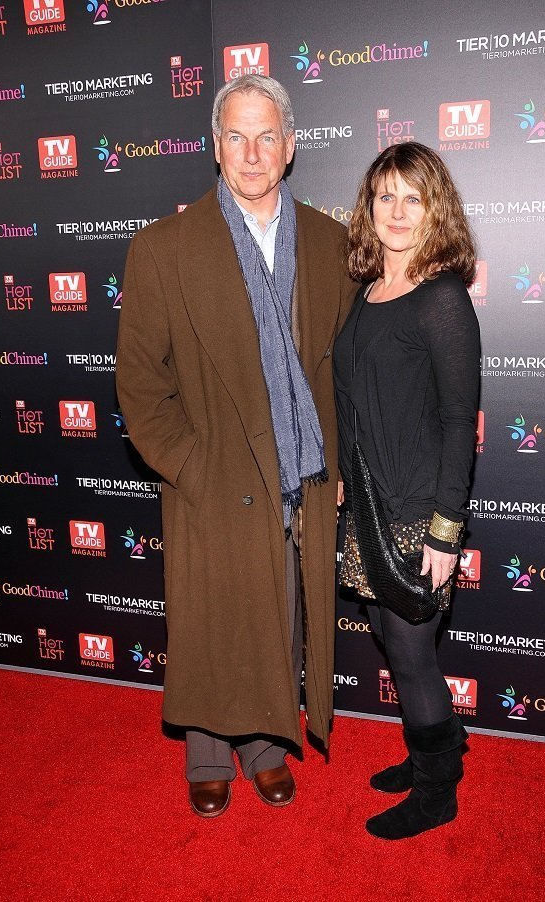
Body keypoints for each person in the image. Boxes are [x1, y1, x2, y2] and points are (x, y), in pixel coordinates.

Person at [116, 75, 356, 818]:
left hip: (302, 471)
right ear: (214, 147)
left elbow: (345, 367)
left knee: (281, 612)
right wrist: (191, 466)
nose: (251, 154)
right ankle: (208, 754)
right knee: (211, 615)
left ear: (290, 146)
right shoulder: (163, 249)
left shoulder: (328, 240)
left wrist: (337, 464)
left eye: (266, 136)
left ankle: (265, 747)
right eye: (235, 136)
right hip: (213, 471)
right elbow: (139, 387)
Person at [333, 142, 480, 840]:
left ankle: (436, 792)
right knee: (390, 637)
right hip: (369, 498)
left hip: (419, 507)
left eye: (411, 198)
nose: (396, 211)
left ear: (434, 209)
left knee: (413, 653)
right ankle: (437, 748)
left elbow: (459, 420)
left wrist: (446, 530)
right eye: (384, 195)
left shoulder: (442, 297)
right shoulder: (368, 291)